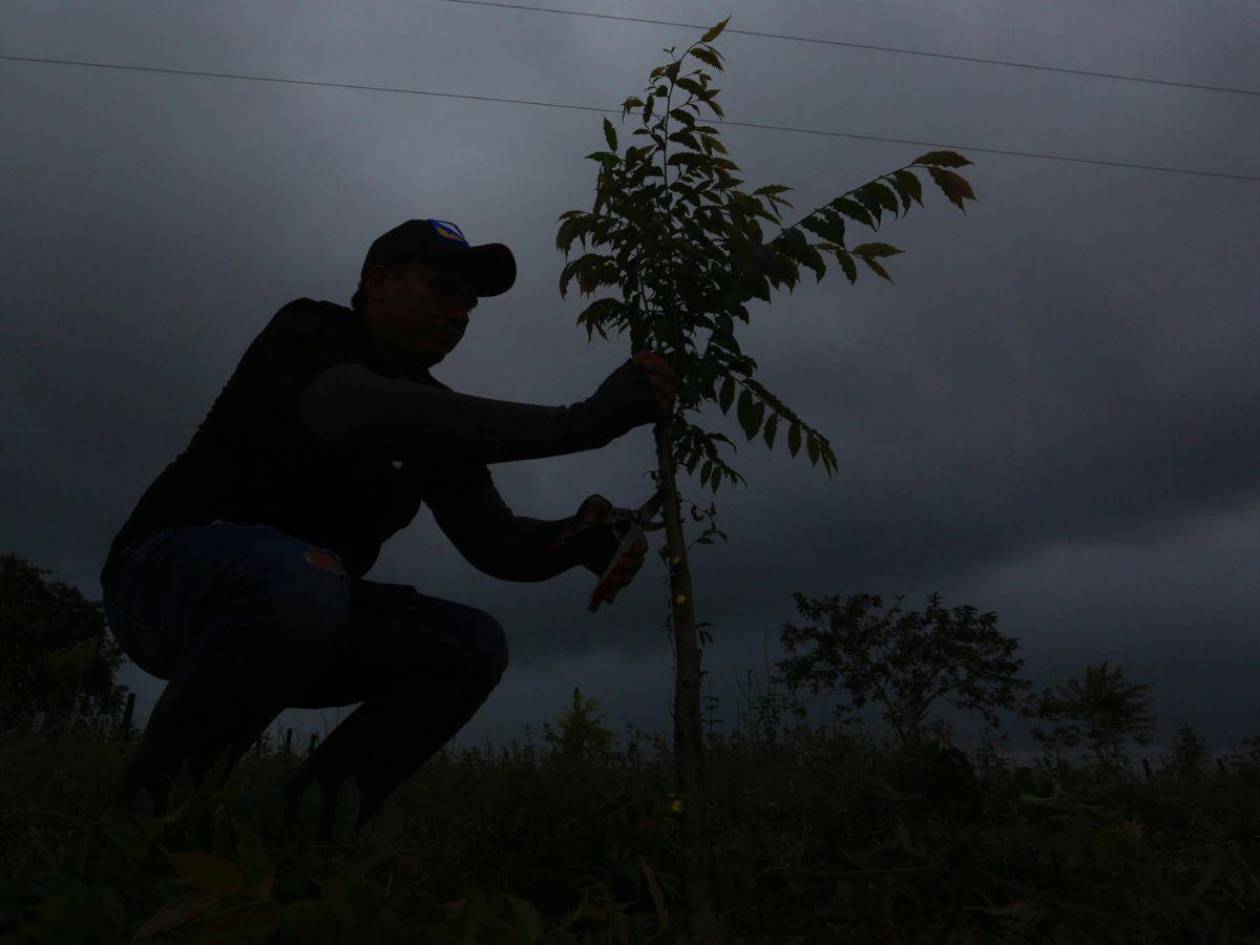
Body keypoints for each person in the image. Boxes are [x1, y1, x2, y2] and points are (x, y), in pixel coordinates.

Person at [98, 218, 677, 841]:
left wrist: (576, 537)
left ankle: (294, 844)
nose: (457, 313)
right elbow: (354, 405)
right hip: (162, 584)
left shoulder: (431, 417)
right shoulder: (309, 334)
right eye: (441, 290)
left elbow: (497, 544)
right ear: (376, 282)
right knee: (304, 576)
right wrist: (583, 424)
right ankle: (144, 829)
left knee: (470, 646)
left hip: (303, 612)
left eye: (469, 304)